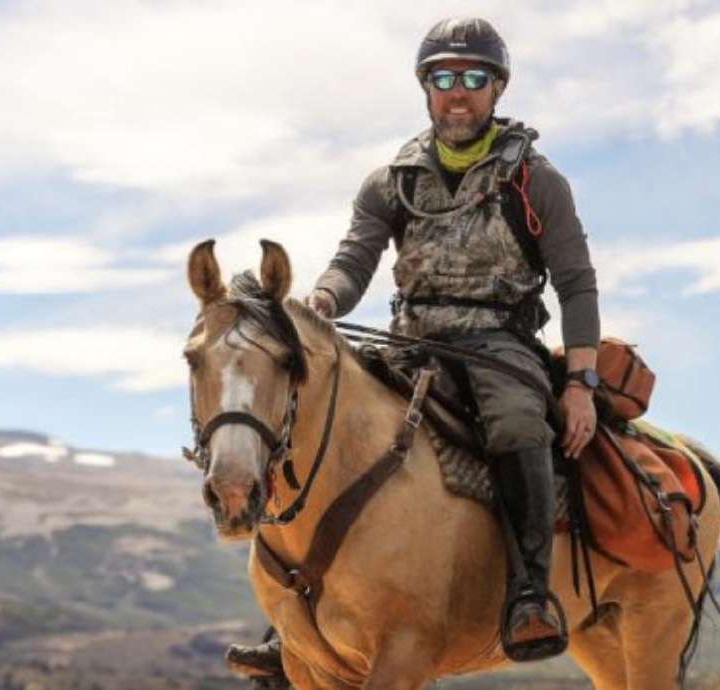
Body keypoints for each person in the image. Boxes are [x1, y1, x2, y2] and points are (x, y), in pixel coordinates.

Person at [227, 16, 600, 676]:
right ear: (426, 89)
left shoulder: (537, 181)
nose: (459, 93)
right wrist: (323, 301)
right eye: (445, 78)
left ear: (498, 89)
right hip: (411, 340)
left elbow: (574, 282)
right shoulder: (390, 181)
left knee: (516, 427)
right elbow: (354, 259)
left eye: (474, 79)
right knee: (322, 421)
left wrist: (579, 383)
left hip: (499, 343)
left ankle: (529, 595)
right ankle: (291, 624)